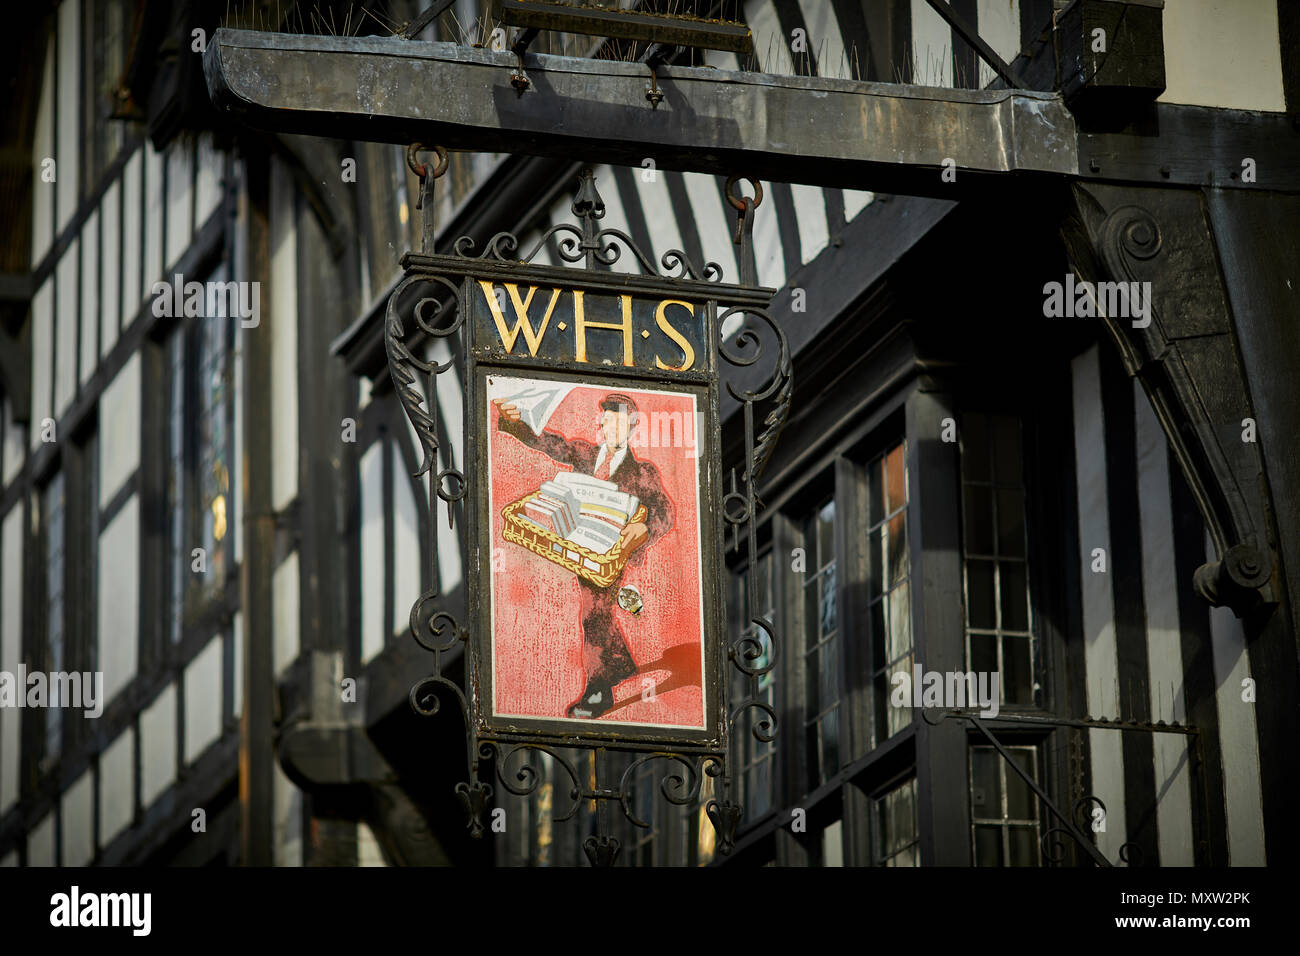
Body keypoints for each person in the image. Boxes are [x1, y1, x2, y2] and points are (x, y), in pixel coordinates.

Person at [494, 392, 673, 718]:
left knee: (594, 611)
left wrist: (644, 528)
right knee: (597, 610)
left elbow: (664, 511)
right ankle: (619, 663)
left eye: (618, 422)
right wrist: (514, 422)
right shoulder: (587, 454)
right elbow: (552, 444)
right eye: (606, 420)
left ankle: (597, 692)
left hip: (612, 552)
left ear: (631, 427)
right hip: (578, 544)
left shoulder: (643, 471)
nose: (610, 427)